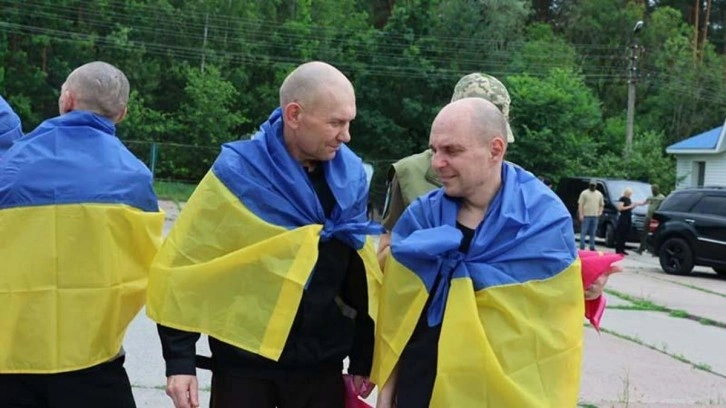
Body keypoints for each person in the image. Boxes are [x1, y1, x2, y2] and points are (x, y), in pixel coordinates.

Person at [147, 61, 381, 408]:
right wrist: (180, 362)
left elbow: (357, 274)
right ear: (294, 114)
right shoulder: (237, 175)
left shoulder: (352, 179)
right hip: (243, 369)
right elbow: (188, 266)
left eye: (349, 122)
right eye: (335, 123)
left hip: (321, 369)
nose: (345, 135)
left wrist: (363, 356)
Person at [372, 98, 584, 407]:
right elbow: (397, 316)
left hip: (501, 396)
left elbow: (555, 326)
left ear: (495, 149)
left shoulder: (542, 219)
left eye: (452, 151)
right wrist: (386, 391)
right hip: (420, 390)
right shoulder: (423, 217)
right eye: (434, 150)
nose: (437, 163)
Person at [0, 61, 164, 407]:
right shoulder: (135, 177)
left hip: (12, 359)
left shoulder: (10, 166)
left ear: (67, 100)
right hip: (93, 360)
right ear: (122, 113)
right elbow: (146, 265)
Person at [636, 184, 666, 255]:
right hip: (648, 216)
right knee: (644, 232)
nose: (653, 191)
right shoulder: (650, 197)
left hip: (655, 218)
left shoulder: (661, 197)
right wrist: (637, 204)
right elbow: (644, 203)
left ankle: (653, 249)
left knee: (654, 233)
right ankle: (641, 248)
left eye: (654, 189)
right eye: (652, 189)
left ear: (657, 190)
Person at [578, 179, 604, 251]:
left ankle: (592, 246)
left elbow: (601, 205)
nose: (592, 186)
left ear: (596, 186)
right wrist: (581, 214)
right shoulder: (584, 193)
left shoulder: (599, 194)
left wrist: (600, 212)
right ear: (589, 185)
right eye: (591, 185)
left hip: (595, 216)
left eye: (594, 185)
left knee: (593, 232)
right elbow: (580, 204)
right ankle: (582, 246)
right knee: (584, 232)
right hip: (586, 215)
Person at [614, 187, 641, 255]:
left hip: (628, 217)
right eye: (629, 193)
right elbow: (620, 208)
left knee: (625, 233)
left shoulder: (629, 199)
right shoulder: (622, 199)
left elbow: (629, 208)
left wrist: (634, 206)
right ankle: (618, 249)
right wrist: (630, 206)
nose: (630, 195)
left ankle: (622, 249)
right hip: (623, 217)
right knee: (621, 233)